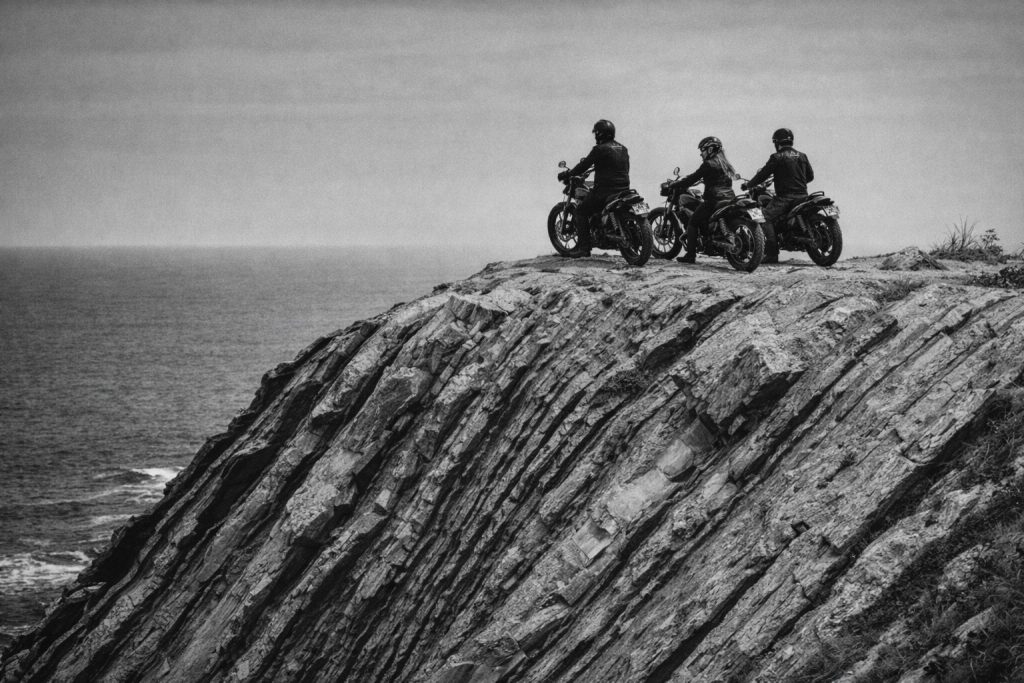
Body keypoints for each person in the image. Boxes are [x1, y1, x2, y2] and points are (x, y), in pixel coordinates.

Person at [557, 119, 630, 257]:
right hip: (623, 189)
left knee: (580, 211)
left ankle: (584, 248)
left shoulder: (599, 149)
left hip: (604, 191)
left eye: (596, 133)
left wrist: (567, 173)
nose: (595, 136)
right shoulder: (623, 148)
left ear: (600, 134)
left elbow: (583, 166)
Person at [741, 128, 814, 263]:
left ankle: (772, 254)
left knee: (763, 217)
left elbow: (762, 174)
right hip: (803, 196)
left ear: (776, 142)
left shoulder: (777, 157)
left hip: (785, 198)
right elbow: (810, 176)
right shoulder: (802, 156)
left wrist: (749, 185)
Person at [664, 136, 738, 264]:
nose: (701, 154)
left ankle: (690, 255)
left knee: (693, 222)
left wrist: (674, 185)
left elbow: (692, 178)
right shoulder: (726, 165)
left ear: (710, 149)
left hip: (714, 200)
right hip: (730, 198)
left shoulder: (708, 164)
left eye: (702, 150)